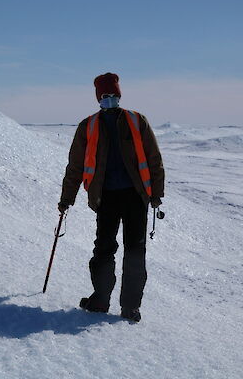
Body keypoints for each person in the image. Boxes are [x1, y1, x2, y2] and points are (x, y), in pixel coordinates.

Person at [58, 72, 165, 322]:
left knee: (135, 251)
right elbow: (75, 166)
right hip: (104, 198)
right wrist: (66, 199)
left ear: (120, 95)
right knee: (104, 249)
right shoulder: (88, 126)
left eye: (114, 95)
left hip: (135, 197)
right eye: (105, 95)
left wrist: (156, 194)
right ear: (98, 98)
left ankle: (130, 307)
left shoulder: (137, 120)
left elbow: (154, 159)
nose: (110, 99)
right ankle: (100, 300)